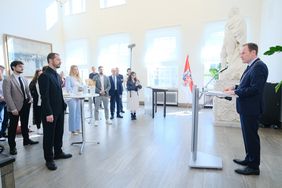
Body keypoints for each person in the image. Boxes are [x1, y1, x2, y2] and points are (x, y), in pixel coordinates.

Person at [224, 43, 268, 175]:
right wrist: (234, 87)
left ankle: (254, 167)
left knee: (252, 137)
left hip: (251, 109)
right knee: (247, 136)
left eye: (243, 52)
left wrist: (236, 92)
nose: (240, 55)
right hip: (246, 108)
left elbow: (255, 89)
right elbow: (247, 83)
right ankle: (249, 159)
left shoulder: (259, 67)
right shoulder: (252, 66)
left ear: (253, 53)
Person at [38, 53, 72, 171]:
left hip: (59, 109)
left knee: (59, 133)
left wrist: (63, 106)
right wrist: (48, 113)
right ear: (50, 60)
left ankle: (58, 152)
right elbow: (45, 96)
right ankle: (49, 159)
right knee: (49, 136)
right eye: (58, 59)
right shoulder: (44, 76)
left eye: (60, 59)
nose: (60, 61)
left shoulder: (57, 75)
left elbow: (58, 92)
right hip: (50, 111)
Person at [3, 60, 39, 155]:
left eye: (22, 66)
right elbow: (7, 95)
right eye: (20, 66)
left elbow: (27, 90)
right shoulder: (7, 79)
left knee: (25, 124)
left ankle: (26, 140)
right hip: (14, 107)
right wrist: (13, 108)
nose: (22, 68)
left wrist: (30, 98)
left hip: (26, 104)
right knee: (12, 127)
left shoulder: (24, 78)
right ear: (13, 67)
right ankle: (12, 146)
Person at [220, 7, 247, 80]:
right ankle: (225, 69)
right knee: (224, 54)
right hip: (228, 38)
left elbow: (240, 33)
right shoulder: (230, 20)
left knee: (231, 56)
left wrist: (240, 44)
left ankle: (231, 70)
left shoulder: (239, 19)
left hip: (232, 39)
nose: (229, 13)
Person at [65, 65, 82, 134]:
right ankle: (72, 129)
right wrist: (75, 92)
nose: (76, 70)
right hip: (72, 98)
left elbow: (82, 87)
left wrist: (81, 90)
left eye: (77, 69)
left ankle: (77, 128)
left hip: (79, 97)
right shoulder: (68, 78)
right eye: (74, 69)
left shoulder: (79, 78)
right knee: (73, 113)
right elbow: (68, 88)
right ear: (71, 70)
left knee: (78, 113)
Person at [29, 69, 43, 135]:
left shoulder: (44, 81)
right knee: (38, 115)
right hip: (37, 101)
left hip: (44, 101)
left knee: (45, 115)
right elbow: (30, 90)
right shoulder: (33, 82)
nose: (40, 75)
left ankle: (44, 128)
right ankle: (38, 128)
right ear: (37, 74)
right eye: (39, 74)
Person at [0, 65, 8, 141]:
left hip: (6, 102)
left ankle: (3, 133)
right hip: (1, 102)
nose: (2, 71)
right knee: (0, 119)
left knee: (5, 119)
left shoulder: (4, 78)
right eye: (1, 70)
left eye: (3, 70)